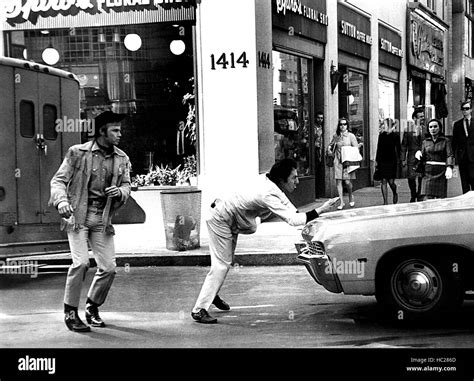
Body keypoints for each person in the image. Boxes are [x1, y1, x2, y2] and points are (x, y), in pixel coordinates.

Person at [190, 159, 339, 324]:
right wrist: (322, 209)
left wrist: (318, 215)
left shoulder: (271, 184)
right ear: (282, 180)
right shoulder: (268, 193)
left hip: (229, 217)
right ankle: (199, 309)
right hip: (221, 218)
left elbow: (292, 210)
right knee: (221, 265)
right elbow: (293, 219)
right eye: (294, 178)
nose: (297, 181)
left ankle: (211, 294)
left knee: (225, 262)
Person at [49, 111, 131, 332]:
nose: (119, 134)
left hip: (102, 217)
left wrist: (120, 192)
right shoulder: (77, 153)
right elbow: (58, 181)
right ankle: (70, 312)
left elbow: (127, 185)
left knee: (109, 268)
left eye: (120, 130)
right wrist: (61, 202)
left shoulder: (121, 158)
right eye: (115, 130)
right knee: (81, 263)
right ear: (102, 131)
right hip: (77, 215)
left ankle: (92, 306)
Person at [415, 118, 454, 200]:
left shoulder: (445, 141)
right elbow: (422, 156)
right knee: (426, 196)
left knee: (440, 198)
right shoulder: (425, 142)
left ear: (439, 128)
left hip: (440, 171)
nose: (433, 129)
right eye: (430, 127)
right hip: (427, 172)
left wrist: (449, 167)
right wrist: (418, 154)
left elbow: (449, 155)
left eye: (435, 126)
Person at [327, 117, 358, 210]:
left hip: (347, 162)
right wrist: (329, 149)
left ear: (347, 125)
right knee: (338, 181)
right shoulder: (336, 136)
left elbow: (356, 148)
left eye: (344, 124)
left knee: (347, 182)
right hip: (338, 161)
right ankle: (341, 202)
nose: (342, 126)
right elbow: (331, 145)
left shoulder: (351, 136)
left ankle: (350, 195)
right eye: (341, 124)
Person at [401, 107, 424, 202]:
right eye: (420, 117)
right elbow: (403, 145)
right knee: (411, 177)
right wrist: (403, 159)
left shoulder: (427, 129)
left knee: (422, 177)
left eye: (423, 117)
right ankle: (413, 194)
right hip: (411, 157)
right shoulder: (408, 130)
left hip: (423, 158)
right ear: (414, 118)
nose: (422, 119)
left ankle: (419, 194)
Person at [375, 118, 401, 205]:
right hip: (382, 160)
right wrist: (376, 161)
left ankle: (394, 192)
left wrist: (400, 161)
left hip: (392, 160)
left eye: (384, 124)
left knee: (391, 182)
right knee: (383, 181)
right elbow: (378, 149)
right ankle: (385, 202)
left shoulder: (395, 135)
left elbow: (399, 148)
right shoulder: (381, 135)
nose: (383, 126)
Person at [452, 100, 474, 193]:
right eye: (463, 109)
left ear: (471, 110)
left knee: (473, 179)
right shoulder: (457, 124)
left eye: (467, 109)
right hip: (462, 157)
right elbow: (454, 142)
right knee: (464, 181)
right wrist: (453, 157)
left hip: (473, 156)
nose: (465, 111)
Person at [314, 111, 325, 197]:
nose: (320, 120)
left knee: (319, 171)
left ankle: (319, 192)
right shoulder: (312, 127)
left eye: (321, 118)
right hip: (314, 150)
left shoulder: (322, 127)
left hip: (320, 150)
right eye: (319, 118)